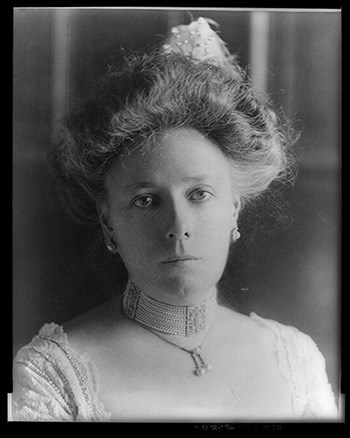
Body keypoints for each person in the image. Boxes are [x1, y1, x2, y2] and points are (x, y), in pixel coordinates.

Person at [12, 17, 338, 422]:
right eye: (147, 200)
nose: (178, 226)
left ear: (234, 209)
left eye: (199, 195)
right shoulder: (55, 372)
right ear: (109, 221)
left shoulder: (296, 360)